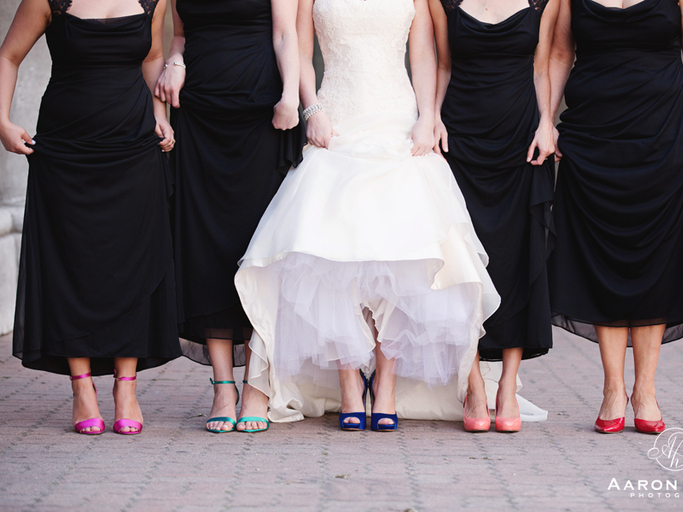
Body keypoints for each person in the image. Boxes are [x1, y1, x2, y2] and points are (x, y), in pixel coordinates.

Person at [234, 0, 501, 431]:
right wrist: (312, 110)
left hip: (398, 122)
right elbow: (301, 49)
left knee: (400, 257)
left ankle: (386, 385)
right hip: (338, 123)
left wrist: (428, 116)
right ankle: (349, 384)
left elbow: (423, 55)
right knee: (334, 258)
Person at [548, 0, 683, 433]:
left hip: (663, 133)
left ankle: (645, 389)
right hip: (592, 137)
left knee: (656, 257)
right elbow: (559, 54)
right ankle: (613, 387)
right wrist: (544, 121)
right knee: (600, 255)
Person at [1, 0, 179, 435]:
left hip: (134, 145)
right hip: (66, 150)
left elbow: (152, 57)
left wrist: (160, 116)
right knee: (71, 264)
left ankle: (126, 388)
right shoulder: (47, 0)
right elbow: (8, 56)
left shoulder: (152, 0)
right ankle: (81, 388)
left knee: (131, 263)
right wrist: (1, 121)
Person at [154, 0, 305, 434]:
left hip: (261, 112)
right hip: (199, 114)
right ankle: (223, 388)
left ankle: (257, 385)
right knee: (205, 245)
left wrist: (290, 95)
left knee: (259, 249)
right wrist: (176, 60)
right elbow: (181, 37)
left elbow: (285, 34)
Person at [430, 0, 559, 433]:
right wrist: (432, 119)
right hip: (459, 140)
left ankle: (506, 386)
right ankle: (473, 385)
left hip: (521, 140)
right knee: (461, 260)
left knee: (516, 255)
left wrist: (547, 123)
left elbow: (541, 68)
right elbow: (443, 66)